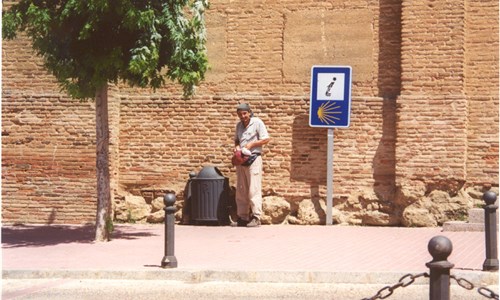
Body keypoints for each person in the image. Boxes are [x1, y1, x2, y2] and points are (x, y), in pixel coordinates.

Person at [232, 103, 270, 227]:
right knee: (241, 189)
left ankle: (256, 216)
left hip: (253, 158)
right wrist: (237, 147)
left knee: (254, 189)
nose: (243, 116)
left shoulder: (257, 122)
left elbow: (265, 139)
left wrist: (251, 145)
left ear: (249, 112)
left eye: (245, 113)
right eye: (240, 114)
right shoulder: (239, 126)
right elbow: (237, 140)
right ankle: (242, 216)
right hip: (241, 160)